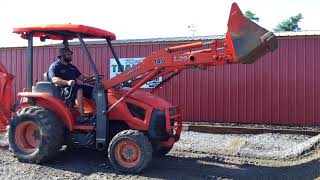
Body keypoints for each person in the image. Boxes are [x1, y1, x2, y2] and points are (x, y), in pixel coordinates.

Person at [48, 47, 93, 117]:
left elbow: (81, 77)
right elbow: (54, 79)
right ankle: (82, 115)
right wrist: (67, 82)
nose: (70, 56)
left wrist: (92, 79)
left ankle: (96, 113)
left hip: (74, 87)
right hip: (63, 89)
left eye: (71, 54)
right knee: (79, 90)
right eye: (68, 54)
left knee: (93, 90)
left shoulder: (72, 67)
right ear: (62, 56)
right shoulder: (55, 66)